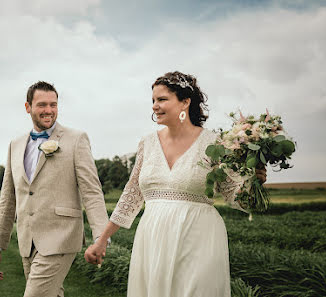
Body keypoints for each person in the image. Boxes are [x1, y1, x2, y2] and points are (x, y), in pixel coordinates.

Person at [84, 71, 267, 296]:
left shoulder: (214, 143)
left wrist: (253, 183)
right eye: (153, 100)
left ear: (185, 102)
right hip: (153, 237)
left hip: (199, 236)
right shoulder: (147, 143)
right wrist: (102, 240)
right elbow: (131, 195)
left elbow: (232, 193)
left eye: (162, 99)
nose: (154, 106)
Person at [0, 81, 109, 297]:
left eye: (53, 105)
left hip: (61, 236)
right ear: (28, 107)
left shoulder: (76, 139)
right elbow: (8, 198)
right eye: (42, 105)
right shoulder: (15, 146)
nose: (49, 111)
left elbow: (91, 191)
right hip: (28, 240)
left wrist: (101, 236)